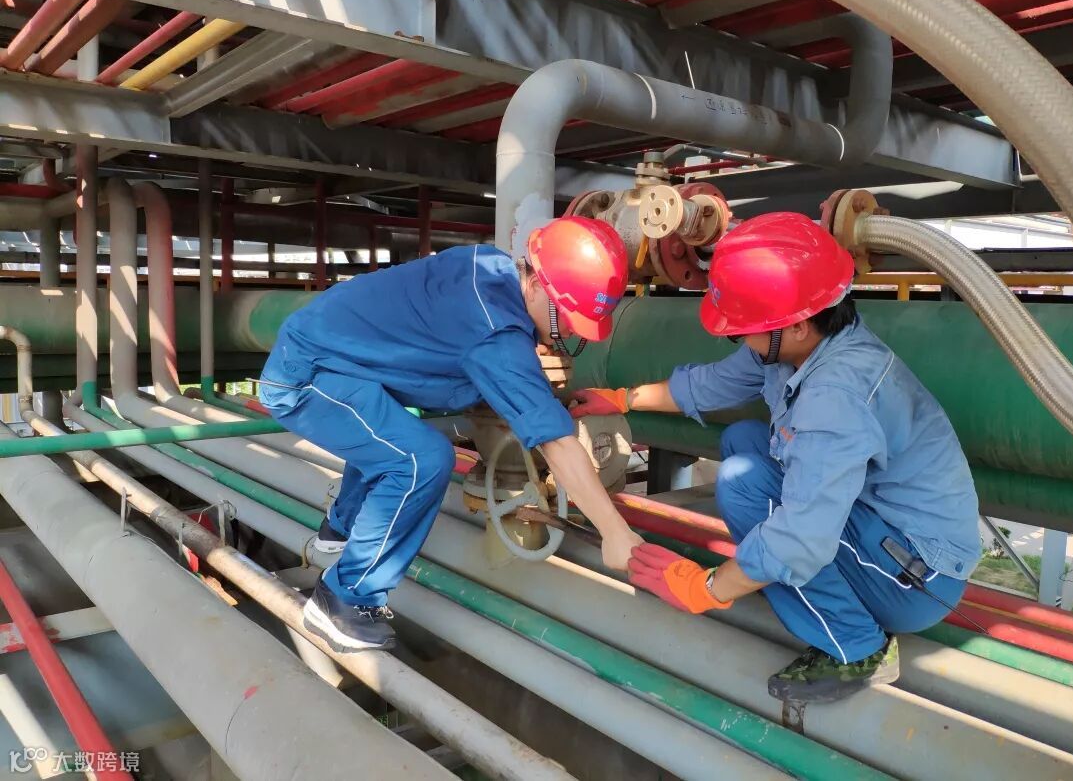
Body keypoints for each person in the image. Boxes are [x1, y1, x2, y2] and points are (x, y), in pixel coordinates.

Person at [571, 212, 980, 703]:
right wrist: (623, 399)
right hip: (887, 535)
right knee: (743, 440)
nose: (740, 338)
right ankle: (807, 591)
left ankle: (857, 648)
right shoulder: (804, 341)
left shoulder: (835, 396)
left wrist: (706, 588)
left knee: (744, 484)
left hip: (914, 579)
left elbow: (801, 537)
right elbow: (713, 384)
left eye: (743, 330)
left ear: (798, 325)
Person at [258, 216, 643, 653]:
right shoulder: (496, 335)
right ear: (536, 284)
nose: (569, 332)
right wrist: (614, 532)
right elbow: (556, 443)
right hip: (308, 377)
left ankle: (339, 531)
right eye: (566, 318)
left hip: (335, 355)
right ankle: (343, 599)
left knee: (387, 436)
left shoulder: (491, 267)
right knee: (420, 460)